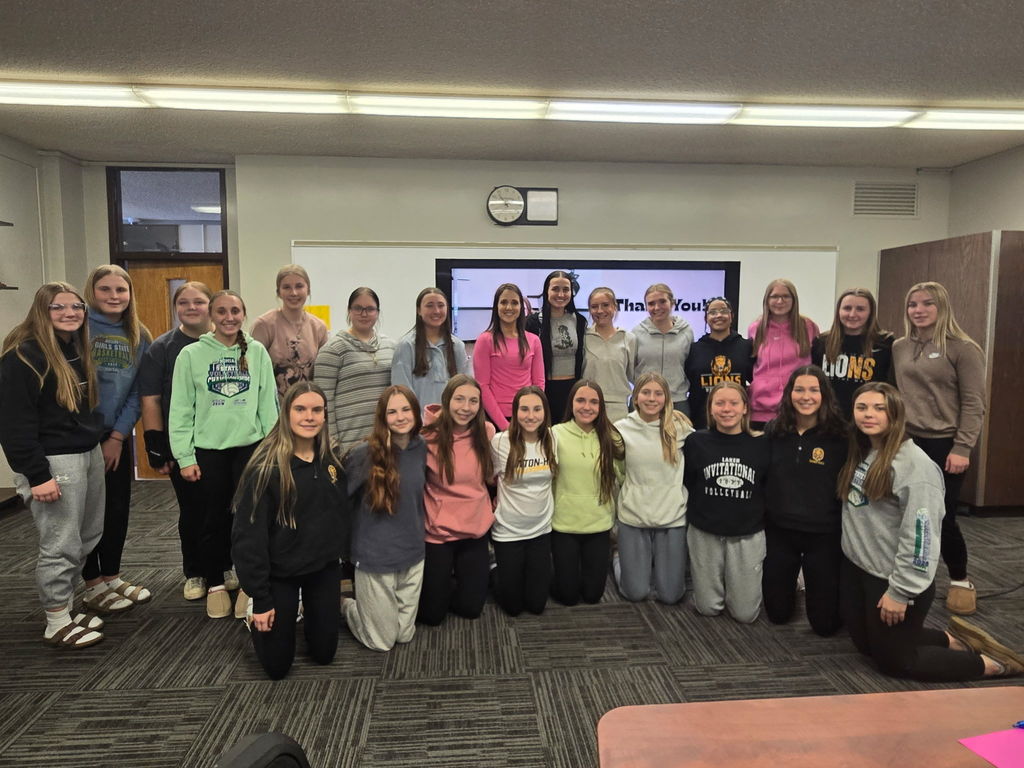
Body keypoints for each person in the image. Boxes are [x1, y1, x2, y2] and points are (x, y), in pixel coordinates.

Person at [838, 383, 1020, 679]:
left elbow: (921, 538)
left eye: (879, 408)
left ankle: (993, 664)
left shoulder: (916, 468)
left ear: (896, 415)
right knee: (866, 646)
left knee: (897, 663)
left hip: (891, 577)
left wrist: (901, 591)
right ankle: (954, 640)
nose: (868, 415)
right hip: (859, 568)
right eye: (862, 408)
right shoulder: (865, 450)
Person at [0, 283, 107, 647]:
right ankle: (55, 620)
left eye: (76, 307)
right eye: (58, 308)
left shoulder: (73, 349)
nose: (70, 313)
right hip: (54, 461)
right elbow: (14, 425)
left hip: (85, 452)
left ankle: (66, 606)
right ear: (41, 311)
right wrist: (37, 475)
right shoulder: (22, 357)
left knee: (86, 536)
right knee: (60, 542)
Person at [169, 290, 279, 619]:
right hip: (208, 451)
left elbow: (267, 403)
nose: (229, 317)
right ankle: (215, 582)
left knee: (248, 519)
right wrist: (184, 457)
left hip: (250, 449)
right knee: (211, 518)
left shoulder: (257, 351)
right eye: (222, 311)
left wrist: (271, 448)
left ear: (244, 314)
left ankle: (247, 582)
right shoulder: (190, 355)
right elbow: (180, 410)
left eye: (235, 311)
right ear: (211, 315)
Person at [231, 382, 350, 680]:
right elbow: (248, 539)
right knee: (277, 668)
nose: (309, 417)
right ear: (286, 414)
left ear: (324, 415)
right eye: (300, 409)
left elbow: (339, 516)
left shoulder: (332, 461)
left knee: (324, 655)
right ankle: (258, 614)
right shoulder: (266, 468)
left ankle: (307, 615)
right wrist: (260, 598)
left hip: (321, 569)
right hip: (278, 573)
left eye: (316, 410)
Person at [892, 281, 986, 616]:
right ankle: (911, 578)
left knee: (939, 516)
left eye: (927, 304)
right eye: (912, 304)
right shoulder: (900, 346)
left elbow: (974, 404)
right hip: (907, 442)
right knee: (905, 513)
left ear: (942, 306)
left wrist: (963, 448)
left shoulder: (963, 348)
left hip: (946, 444)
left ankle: (959, 578)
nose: (918, 310)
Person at [79, 265, 152, 614]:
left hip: (115, 435)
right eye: (105, 289)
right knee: (86, 512)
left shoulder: (139, 333)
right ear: (91, 292)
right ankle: (91, 583)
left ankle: (111, 575)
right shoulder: (77, 328)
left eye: (120, 290)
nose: (113, 296)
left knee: (116, 508)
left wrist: (119, 436)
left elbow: (138, 391)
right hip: (78, 437)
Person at [138, 281, 213, 601]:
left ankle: (224, 566)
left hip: (222, 442)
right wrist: (157, 447)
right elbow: (151, 399)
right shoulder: (163, 347)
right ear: (176, 308)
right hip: (182, 445)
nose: (192, 307)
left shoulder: (227, 343)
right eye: (184, 302)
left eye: (199, 301)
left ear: (210, 305)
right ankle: (195, 572)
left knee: (226, 509)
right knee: (193, 510)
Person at [763, 366, 848, 636]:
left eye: (814, 390)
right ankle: (795, 586)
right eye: (799, 389)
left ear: (824, 395)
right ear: (789, 394)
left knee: (825, 626)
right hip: (780, 530)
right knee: (777, 615)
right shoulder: (774, 431)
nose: (806, 396)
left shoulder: (841, 436)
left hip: (823, 533)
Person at [342, 385, 427, 651]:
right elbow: (338, 502)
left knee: (404, 635)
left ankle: (374, 612)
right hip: (374, 557)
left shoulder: (422, 448)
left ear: (416, 412)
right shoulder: (364, 454)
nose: (400, 417)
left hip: (413, 552)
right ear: (382, 417)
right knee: (382, 642)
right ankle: (345, 604)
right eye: (392, 412)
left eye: (406, 409)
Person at [684, 381, 771, 622]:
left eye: (734, 403)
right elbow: (689, 482)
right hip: (705, 532)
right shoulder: (696, 442)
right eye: (719, 403)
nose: (726, 409)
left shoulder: (762, 444)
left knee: (746, 615)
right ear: (710, 409)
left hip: (746, 534)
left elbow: (767, 488)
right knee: (708, 608)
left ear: (745, 408)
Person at [417, 374, 495, 626]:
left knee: (471, 609)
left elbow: (492, 478)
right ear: (447, 400)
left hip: (474, 530)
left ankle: (473, 574)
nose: (466, 407)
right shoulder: (426, 437)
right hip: (439, 533)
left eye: (473, 401)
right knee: (431, 616)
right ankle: (443, 579)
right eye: (459, 399)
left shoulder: (486, 432)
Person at [614, 372, 693, 604]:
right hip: (633, 515)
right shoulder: (620, 429)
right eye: (645, 392)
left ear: (666, 398)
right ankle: (618, 559)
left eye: (658, 393)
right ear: (635, 397)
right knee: (635, 593)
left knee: (671, 596)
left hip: (672, 516)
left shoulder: (682, 428)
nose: (651, 398)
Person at [550, 380, 623, 605]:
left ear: (601, 407)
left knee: (593, 596)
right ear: (571, 403)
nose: (587, 407)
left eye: (594, 402)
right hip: (564, 524)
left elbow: (625, 475)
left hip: (598, 524)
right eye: (580, 400)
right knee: (568, 597)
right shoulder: (555, 434)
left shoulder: (612, 437)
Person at [490, 386, 558, 616]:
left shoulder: (553, 438)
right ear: (515, 411)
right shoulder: (500, 442)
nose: (531, 415)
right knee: (513, 608)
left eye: (537, 409)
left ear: (545, 411)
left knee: (537, 605)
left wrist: (674, 415)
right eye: (525, 409)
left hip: (540, 531)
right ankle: (494, 568)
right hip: (508, 532)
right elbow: (488, 478)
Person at [314, 287, 396, 452]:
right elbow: (323, 401)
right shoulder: (333, 349)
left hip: (385, 442)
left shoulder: (391, 347)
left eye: (370, 309)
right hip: (349, 445)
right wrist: (333, 443)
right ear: (349, 311)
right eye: (358, 308)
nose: (364, 314)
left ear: (378, 312)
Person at [747, 279, 819, 428]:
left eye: (786, 296)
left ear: (794, 300)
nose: (780, 301)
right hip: (761, 409)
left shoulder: (808, 327)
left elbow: (817, 367)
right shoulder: (756, 328)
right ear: (767, 300)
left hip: (798, 407)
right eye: (774, 296)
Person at [812, 288, 894, 417]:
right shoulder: (822, 342)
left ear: (870, 312)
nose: (852, 314)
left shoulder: (885, 343)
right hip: (828, 420)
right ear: (838, 311)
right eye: (847, 308)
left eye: (860, 309)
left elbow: (891, 388)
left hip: (868, 419)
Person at [250, 264, 329, 398]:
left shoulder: (319, 327)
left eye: (299, 286)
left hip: (307, 409)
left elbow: (324, 373)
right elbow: (253, 373)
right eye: (287, 287)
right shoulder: (264, 325)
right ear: (278, 292)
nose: (294, 293)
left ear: (308, 290)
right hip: (275, 411)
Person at [473, 283, 545, 430]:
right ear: (496, 306)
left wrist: (532, 413)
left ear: (521, 307)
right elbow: (482, 386)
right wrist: (504, 425)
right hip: (495, 418)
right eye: (504, 302)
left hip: (527, 416)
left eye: (514, 303)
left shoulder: (534, 340)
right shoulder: (485, 340)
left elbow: (539, 383)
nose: (509, 307)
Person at [391, 286, 471, 412]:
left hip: (452, 424)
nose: (436, 311)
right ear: (419, 310)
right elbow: (402, 393)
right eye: (429, 305)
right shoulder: (406, 346)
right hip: (419, 426)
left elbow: (466, 389)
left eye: (441, 305)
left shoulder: (457, 346)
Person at [525, 270, 587, 422]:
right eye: (555, 289)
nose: (561, 294)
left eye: (566, 289)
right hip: (544, 390)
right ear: (546, 291)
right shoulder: (532, 322)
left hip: (572, 389)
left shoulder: (579, 321)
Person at [685, 297, 753, 430]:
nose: (719, 315)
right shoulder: (694, 349)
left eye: (723, 311)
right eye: (713, 312)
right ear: (706, 318)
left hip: (737, 422)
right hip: (701, 422)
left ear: (731, 316)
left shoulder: (746, 346)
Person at [632, 283, 694, 415]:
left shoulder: (686, 332)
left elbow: (690, 366)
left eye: (662, 301)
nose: (657, 307)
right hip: (644, 401)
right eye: (651, 303)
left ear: (672, 303)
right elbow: (629, 368)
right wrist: (644, 389)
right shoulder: (636, 333)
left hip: (677, 401)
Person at [582, 286, 636, 423]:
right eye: (594, 306)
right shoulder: (583, 337)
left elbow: (634, 376)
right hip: (587, 406)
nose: (600, 311)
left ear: (614, 307)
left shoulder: (628, 338)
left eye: (605, 305)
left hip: (619, 410)